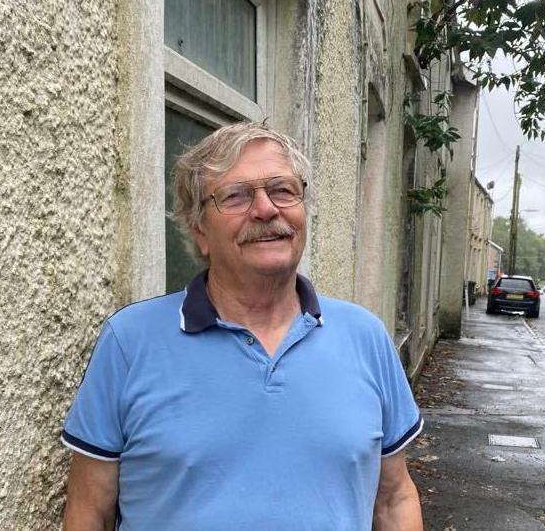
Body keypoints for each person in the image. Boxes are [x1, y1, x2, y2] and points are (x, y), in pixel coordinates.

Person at [60, 122, 424, 530]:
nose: (267, 209)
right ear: (199, 230)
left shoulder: (366, 338)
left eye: (283, 190)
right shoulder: (129, 343)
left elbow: (393, 500)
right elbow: (89, 511)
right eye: (236, 196)